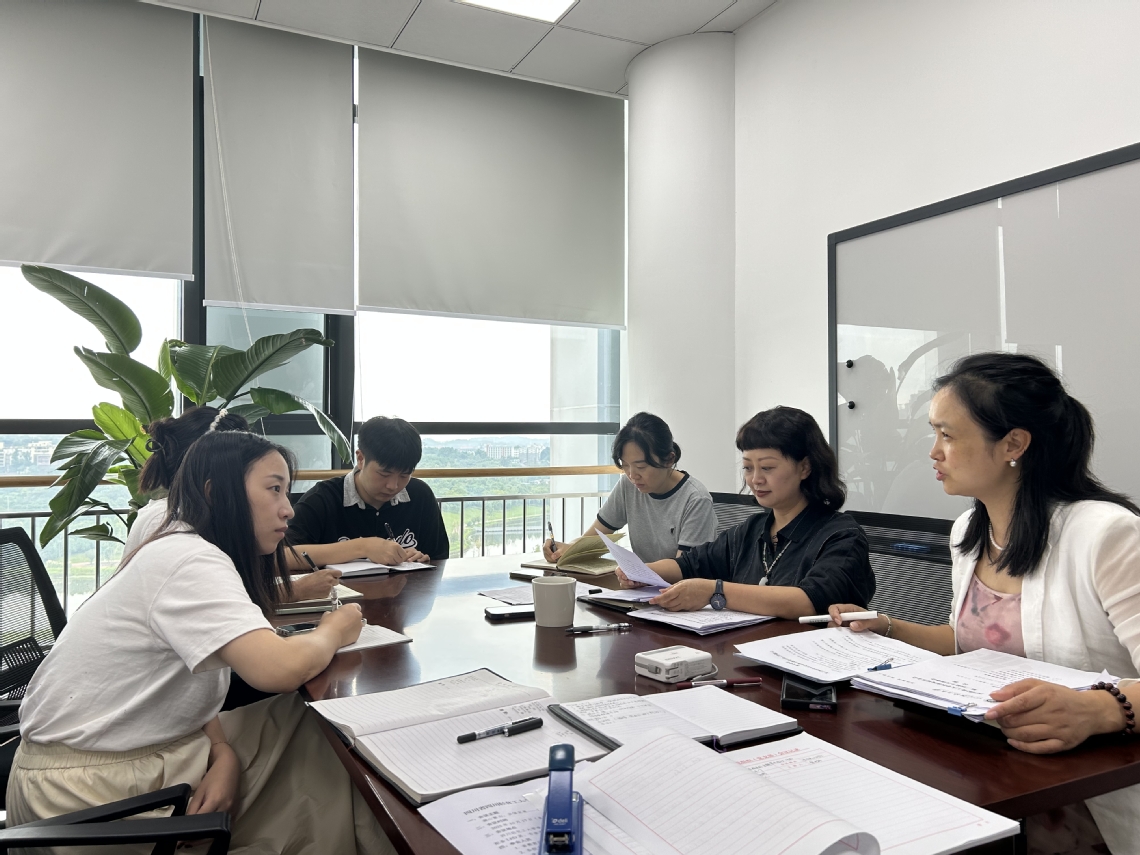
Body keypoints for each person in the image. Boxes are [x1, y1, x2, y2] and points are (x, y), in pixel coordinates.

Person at [8, 431, 393, 854]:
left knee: (311, 724)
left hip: (126, 757)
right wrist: (335, 629)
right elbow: (280, 669)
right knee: (326, 742)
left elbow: (183, 689)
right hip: (93, 794)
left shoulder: (184, 542)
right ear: (215, 493)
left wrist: (223, 752)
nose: (288, 508)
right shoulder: (189, 558)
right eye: (274, 489)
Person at [828, 352, 1140, 853]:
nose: (933, 452)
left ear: (1013, 444)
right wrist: (885, 626)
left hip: (1091, 800)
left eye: (947, 435)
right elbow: (971, 644)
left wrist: (1100, 710)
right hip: (994, 779)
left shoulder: (1105, 533)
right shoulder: (969, 532)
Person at [619, 407, 875, 619]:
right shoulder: (752, 530)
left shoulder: (842, 536)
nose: (755, 480)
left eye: (767, 468)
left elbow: (809, 600)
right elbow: (689, 564)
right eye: (748, 468)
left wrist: (716, 591)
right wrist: (642, 572)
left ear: (805, 467)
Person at [125, 406, 341, 602]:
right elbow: (212, 603)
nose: (288, 511)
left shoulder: (205, 522)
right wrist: (295, 591)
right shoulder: (168, 524)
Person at [543, 412, 716, 564]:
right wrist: (568, 548)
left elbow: (684, 569)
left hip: (680, 588)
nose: (633, 475)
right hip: (641, 584)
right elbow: (595, 537)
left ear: (669, 460)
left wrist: (636, 573)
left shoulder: (696, 500)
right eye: (625, 465)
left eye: (641, 467)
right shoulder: (629, 484)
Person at [288, 416, 449, 564]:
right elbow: (283, 557)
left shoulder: (420, 496)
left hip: (408, 586)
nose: (393, 486)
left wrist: (421, 559)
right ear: (360, 459)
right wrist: (362, 547)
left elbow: (439, 557)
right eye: (384, 474)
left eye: (404, 475)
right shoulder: (322, 499)